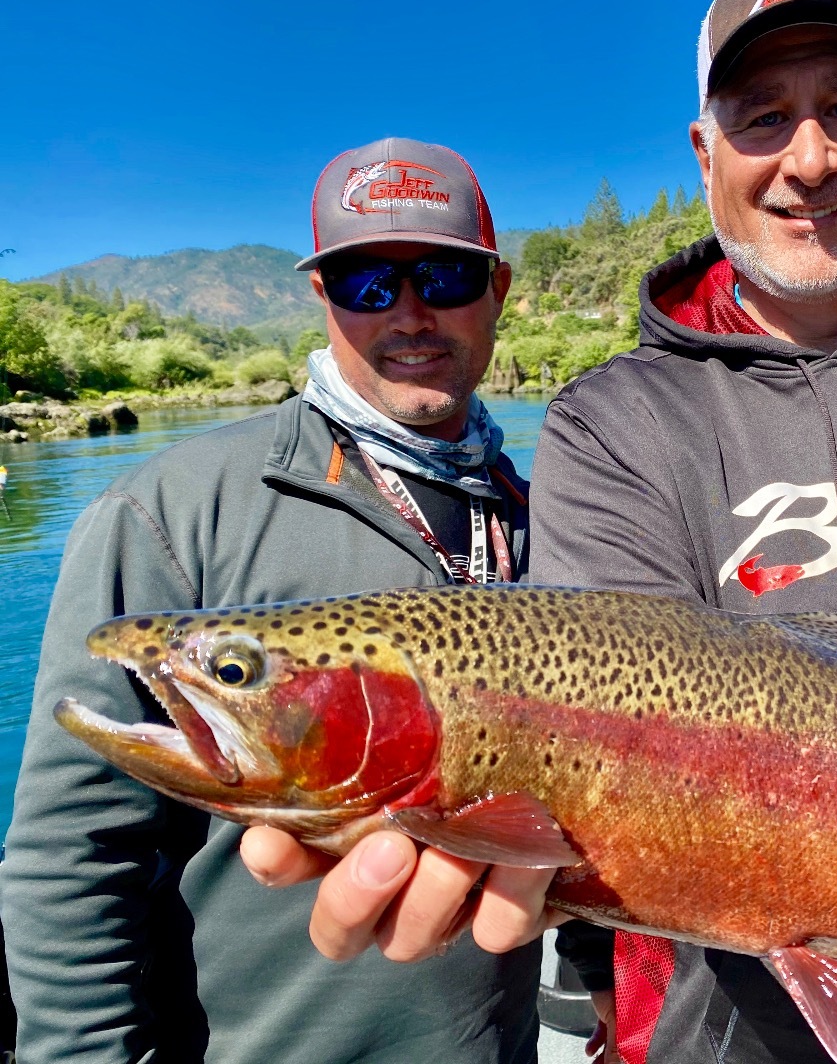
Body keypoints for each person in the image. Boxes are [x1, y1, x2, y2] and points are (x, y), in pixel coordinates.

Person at [246, 0, 837, 1059]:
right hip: (728, 1030)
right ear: (705, 150)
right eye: (761, 116)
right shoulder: (614, 421)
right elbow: (623, 742)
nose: (808, 159)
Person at [1, 137, 548, 1062]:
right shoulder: (174, 509)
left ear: (496, 292)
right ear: (323, 301)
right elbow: (73, 855)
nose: (409, 313)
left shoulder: (540, 514)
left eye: (445, 279)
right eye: (367, 284)